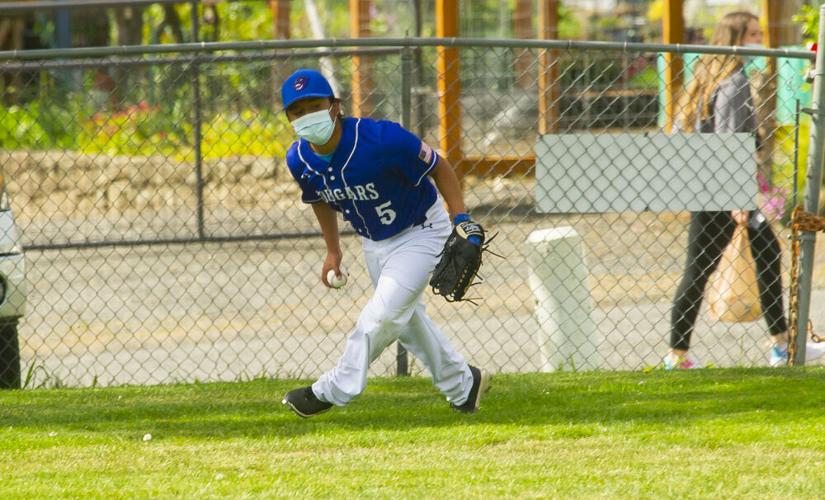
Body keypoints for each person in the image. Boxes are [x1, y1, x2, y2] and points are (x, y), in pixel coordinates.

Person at [278, 68, 491, 417]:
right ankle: (463, 385)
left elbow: (439, 166)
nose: (307, 116)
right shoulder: (298, 159)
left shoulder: (381, 139)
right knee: (406, 323)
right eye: (297, 111)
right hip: (373, 242)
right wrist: (333, 250)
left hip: (421, 230)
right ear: (288, 118)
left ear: (335, 106)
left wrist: (461, 218)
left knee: (382, 316)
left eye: (315, 106)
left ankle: (330, 390)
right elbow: (318, 198)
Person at [666, 11, 825, 369]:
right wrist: (738, 197)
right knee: (701, 270)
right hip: (726, 193)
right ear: (735, 39)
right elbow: (732, 143)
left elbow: (682, 134)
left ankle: (781, 345)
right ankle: (677, 354)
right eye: (753, 34)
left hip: (705, 188)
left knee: (761, 255)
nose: (759, 41)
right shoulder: (735, 84)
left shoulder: (703, 81)